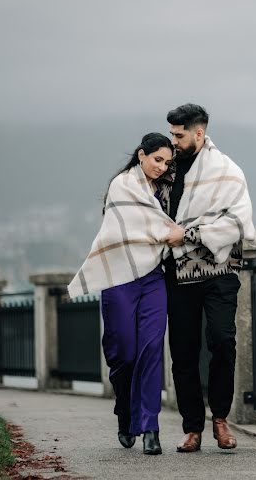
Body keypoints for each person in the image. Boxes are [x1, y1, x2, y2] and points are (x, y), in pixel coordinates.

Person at [67, 132, 183, 456]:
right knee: (124, 353)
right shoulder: (122, 185)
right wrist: (170, 232)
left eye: (167, 162)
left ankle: (150, 427)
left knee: (151, 349)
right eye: (157, 159)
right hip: (119, 278)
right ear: (142, 155)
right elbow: (137, 227)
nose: (161, 167)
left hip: (152, 278)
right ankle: (125, 410)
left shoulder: (165, 191)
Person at [163, 104, 256, 453]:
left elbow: (238, 223)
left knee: (222, 340)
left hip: (219, 270)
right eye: (171, 134)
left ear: (199, 133)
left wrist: (187, 234)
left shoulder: (228, 171)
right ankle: (192, 428)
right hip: (176, 272)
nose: (173, 140)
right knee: (183, 351)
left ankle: (220, 418)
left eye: (179, 135)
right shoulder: (165, 170)